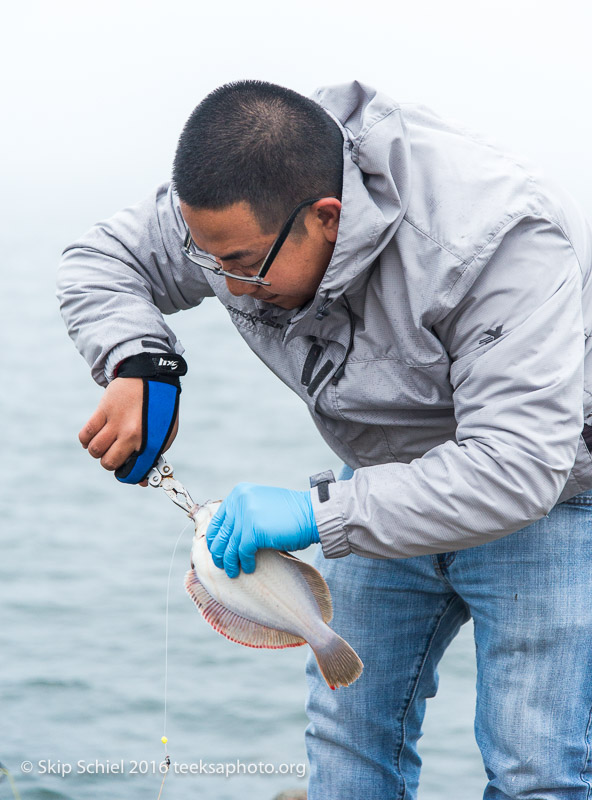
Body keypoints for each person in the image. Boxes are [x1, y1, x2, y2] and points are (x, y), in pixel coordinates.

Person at [58, 80, 592, 799]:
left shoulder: (496, 240)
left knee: (537, 770)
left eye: (244, 265)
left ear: (327, 217)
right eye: (209, 263)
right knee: (346, 741)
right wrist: (139, 362)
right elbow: (100, 260)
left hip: (550, 495)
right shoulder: (245, 199)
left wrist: (318, 512)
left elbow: (519, 466)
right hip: (378, 475)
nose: (229, 287)